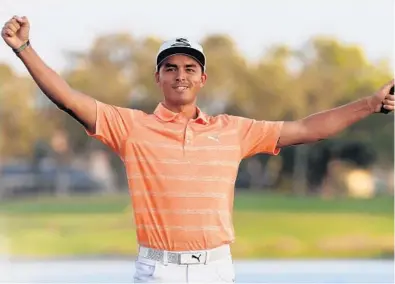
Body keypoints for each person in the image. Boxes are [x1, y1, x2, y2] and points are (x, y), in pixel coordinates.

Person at [2, 16, 394, 283]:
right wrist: (24, 48)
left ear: (202, 78)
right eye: (170, 67)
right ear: (158, 77)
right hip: (156, 270)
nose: (180, 75)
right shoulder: (132, 127)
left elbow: (307, 128)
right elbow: (67, 98)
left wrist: (371, 104)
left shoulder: (233, 131)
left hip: (215, 271)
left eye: (189, 68)